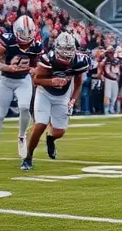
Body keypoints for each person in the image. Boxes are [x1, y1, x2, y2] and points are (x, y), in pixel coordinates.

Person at [20, 32, 89, 170]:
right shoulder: (47, 59)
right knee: (40, 125)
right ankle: (28, 157)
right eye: (62, 54)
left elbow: (78, 83)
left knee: (59, 132)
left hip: (63, 96)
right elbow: (36, 80)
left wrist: (73, 100)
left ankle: (50, 139)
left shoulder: (80, 61)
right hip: (44, 93)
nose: (65, 58)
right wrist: (52, 81)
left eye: (68, 54)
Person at [0, 15, 42, 161]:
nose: (25, 39)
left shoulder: (37, 44)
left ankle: (21, 137)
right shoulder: (7, 40)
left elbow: (40, 63)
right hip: (6, 79)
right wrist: (7, 67)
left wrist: (35, 69)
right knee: (0, 115)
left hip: (23, 79)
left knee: (25, 107)